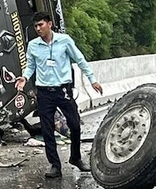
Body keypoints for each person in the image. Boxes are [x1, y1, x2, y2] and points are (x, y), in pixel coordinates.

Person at [15, 11, 103, 178]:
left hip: (63, 90)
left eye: (41, 25)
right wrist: (25, 78)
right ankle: (55, 165)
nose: (38, 29)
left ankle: (75, 157)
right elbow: (31, 66)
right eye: (35, 26)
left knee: (75, 125)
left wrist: (92, 80)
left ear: (49, 24)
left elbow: (80, 59)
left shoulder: (65, 41)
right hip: (44, 92)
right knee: (47, 130)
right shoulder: (33, 45)